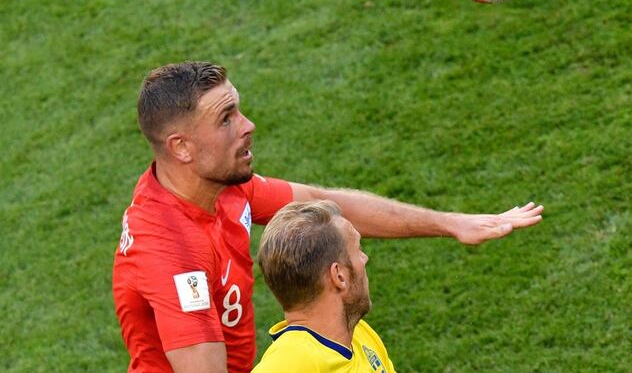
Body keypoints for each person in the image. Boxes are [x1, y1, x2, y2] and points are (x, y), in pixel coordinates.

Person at [112, 61, 544, 373]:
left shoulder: (221, 185)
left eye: (238, 109)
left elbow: (330, 203)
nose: (248, 125)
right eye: (226, 119)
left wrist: (450, 223)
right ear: (181, 147)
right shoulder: (170, 252)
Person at [252, 200, 394, 373]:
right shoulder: (290, 363)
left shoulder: (360, 333)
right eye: (358, 250)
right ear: (339, 276)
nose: (365, 258)